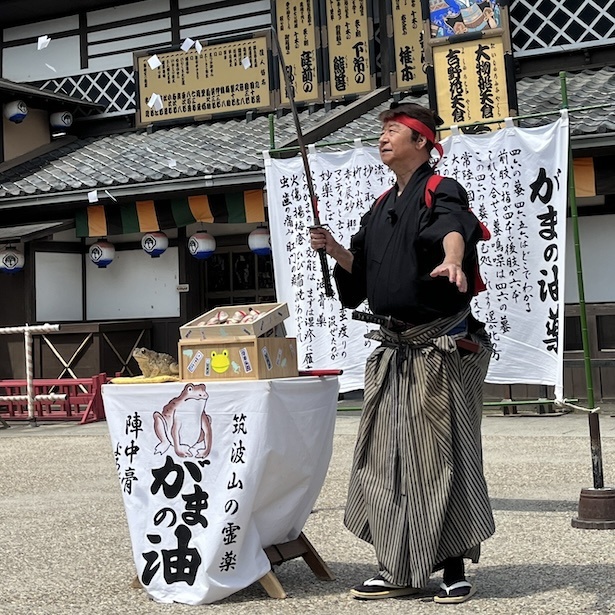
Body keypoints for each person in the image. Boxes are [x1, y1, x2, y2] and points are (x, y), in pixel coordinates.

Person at [309, 102, 495, 604]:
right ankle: (397, 568)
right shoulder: (378, 205)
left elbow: (455, 228)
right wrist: (336, 252)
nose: (384, 138)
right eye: (383, 131)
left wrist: (453, 261)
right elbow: (363, 275)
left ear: (422, 142)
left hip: (440, 346)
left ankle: (452, 567)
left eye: (394, 131)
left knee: (442, 457)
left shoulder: (441, 189)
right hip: (395, 349)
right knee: (384, 456)